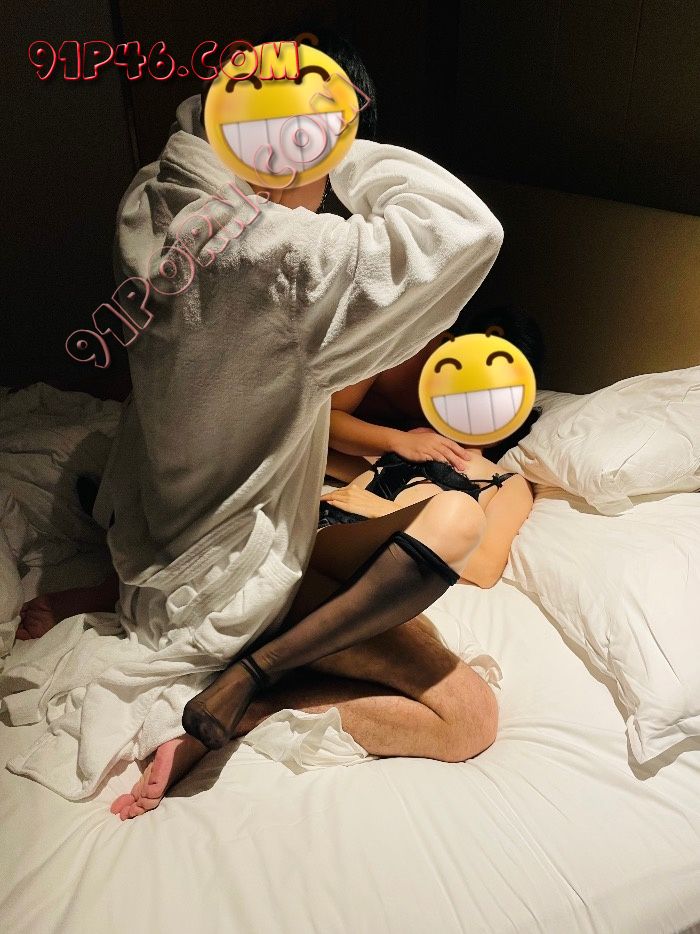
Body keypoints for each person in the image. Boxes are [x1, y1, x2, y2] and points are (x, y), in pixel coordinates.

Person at [10, 27, 505, 817]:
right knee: (468, 715)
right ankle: (244, 701)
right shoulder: (283, 262)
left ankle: (134, 597)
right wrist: (334, 141)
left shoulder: (157, 193)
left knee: (436, 533)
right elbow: (465, 228)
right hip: (233, 575)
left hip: (174, 534)